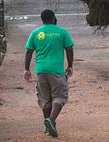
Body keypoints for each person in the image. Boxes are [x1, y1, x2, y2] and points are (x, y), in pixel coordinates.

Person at [24, 9, 74, 138]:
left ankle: (47, 128)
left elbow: (28, 52)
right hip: (56, 71)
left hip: (40, 71)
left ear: (42, 19)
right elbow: (69, 50)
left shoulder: (36, 32)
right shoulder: (62, 32)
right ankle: (51, 121)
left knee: (45, 99)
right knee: (60, 96)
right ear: (53, 18)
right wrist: (70, 66)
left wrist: (26, 69)